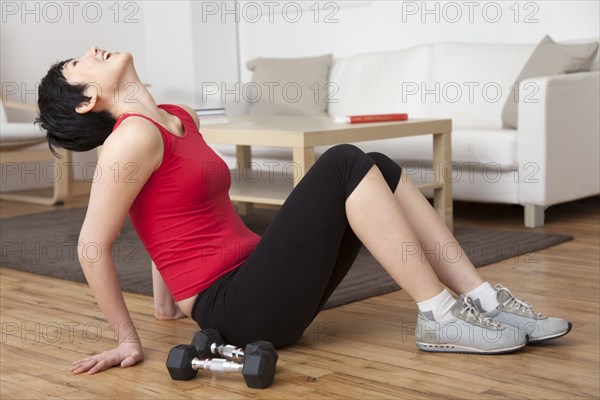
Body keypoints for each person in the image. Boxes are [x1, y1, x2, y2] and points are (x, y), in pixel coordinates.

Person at [36, 46, 571, 375]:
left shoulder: (177, 117)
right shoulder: (129, 139)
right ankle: (441, 316)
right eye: (78, 62)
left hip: (260, 278)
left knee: (376, 163)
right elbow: (92, 245)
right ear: (87, 100)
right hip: (237, 311)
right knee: (342, 162)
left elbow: (163, 211)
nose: (93, 49)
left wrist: (167, 307)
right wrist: (129, 340)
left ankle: (481, 299)